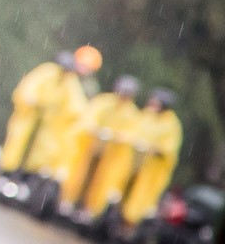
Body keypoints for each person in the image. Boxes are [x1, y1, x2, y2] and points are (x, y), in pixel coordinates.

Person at [0, 46, 98, 205]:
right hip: (30, 120)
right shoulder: (47, 72)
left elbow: (77, 106)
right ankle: (8, 173)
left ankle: (27, 180)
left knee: (42, 154)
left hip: (48, 127)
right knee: (17, 144)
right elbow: (28, 88)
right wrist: (31, 100)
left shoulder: (71, 82)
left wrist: (69, 116)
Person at [76, 74, 148, 222]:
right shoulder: (104, 102)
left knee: (104, 184)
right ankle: (74, 202)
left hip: (112, 157)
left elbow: (134, 133)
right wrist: (95, 129)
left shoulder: (131, 112)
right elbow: (90, 117)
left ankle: (93, 210)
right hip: (93, 149)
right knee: (82, 175)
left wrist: (118, 136)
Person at [118, 88, 185, 230]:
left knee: (141, 200)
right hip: (135, 163)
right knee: (122, 189)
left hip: (151, 171)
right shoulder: (147, 115)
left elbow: (169, 148)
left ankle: (130, 225)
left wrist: (156, 149)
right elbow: (133, 130)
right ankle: (117, 217)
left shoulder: (171, 124)